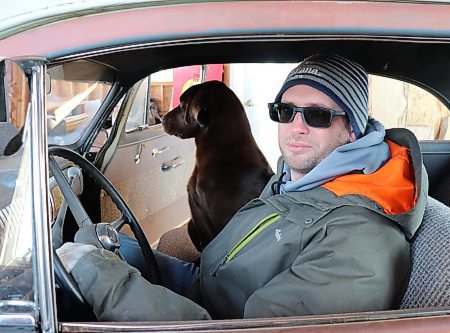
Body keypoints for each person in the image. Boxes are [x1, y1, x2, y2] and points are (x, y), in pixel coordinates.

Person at [57, 54, 428, 321]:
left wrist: (99, 276)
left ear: (354, 129)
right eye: (285, 111)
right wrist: (108, 257)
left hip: (213, 318)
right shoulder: (298, 181)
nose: (296, 127)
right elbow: (218, 272)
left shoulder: (360, 242)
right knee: (94, 247)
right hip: (207, 288)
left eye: (318, 115)